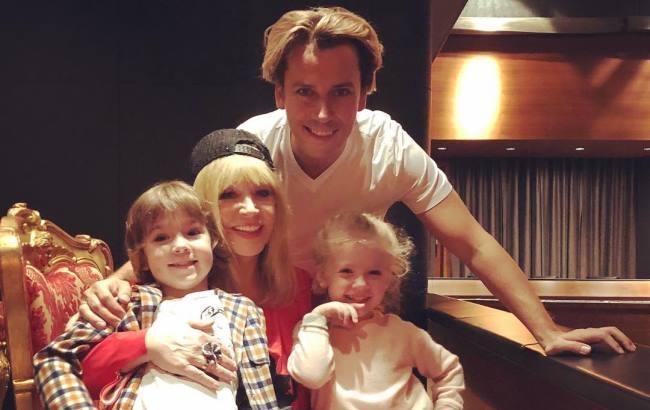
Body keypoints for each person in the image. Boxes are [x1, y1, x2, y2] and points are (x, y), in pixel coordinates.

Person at [80, 5, 634, 378]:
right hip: (257, 304)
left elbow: (472, 242)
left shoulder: (389, 147)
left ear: (365, 92)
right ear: (280, 94)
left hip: (339, 309)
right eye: (305, 92)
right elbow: (190, 224)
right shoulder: (253, 145)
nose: (323, 113)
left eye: (341, 92)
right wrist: (116, 281)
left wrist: (547, 330)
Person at [34, 180, 278, 409]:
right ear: (142, 256)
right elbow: (56, 362)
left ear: (212, 240)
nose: (181, 246)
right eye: (161, 238)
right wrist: (146, 344)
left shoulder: (244, 310)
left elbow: (259, 393)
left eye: (193, 232)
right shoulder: (127, 302)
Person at [288, 213, 464, 409]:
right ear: (323, 276)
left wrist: (448, 405)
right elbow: (312, 377)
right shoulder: (311, 331)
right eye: (346, 271)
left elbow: (448, 371)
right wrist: (318, 318)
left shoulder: (402, 333)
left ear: (389, 280)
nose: (361, 284)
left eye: (374, 273)